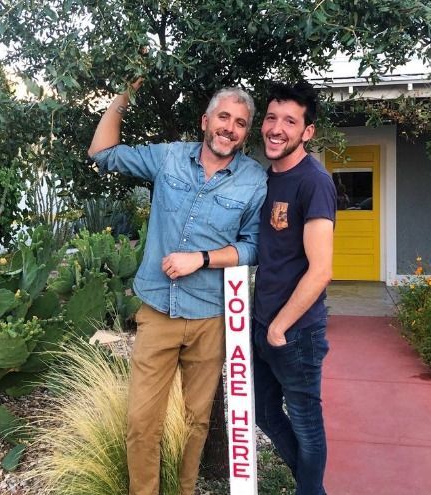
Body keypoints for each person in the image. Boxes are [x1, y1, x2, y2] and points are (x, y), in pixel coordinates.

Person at [87, 81, 267, 495]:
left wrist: (201, 258)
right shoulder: (168, 158)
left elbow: (254, 246)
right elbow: (102, 153)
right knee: (141, 421)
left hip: (210, 317)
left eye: (240, 123)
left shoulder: (253, 180)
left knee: (196, 421)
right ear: (206, 121)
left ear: (245, 133)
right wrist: (120, 98)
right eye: (224, 117)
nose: (230, 128)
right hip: (158, 313)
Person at [252, 81, 336, 495]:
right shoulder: (266, 178)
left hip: (295, 331)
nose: (277, 128)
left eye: (290, 120)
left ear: (307, 132)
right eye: (271, 117)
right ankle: (309, 487)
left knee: (305, 420)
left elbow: (321, 271)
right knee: (264, 412)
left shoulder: (313, 181)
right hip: (263, 322)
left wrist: (278, 327)